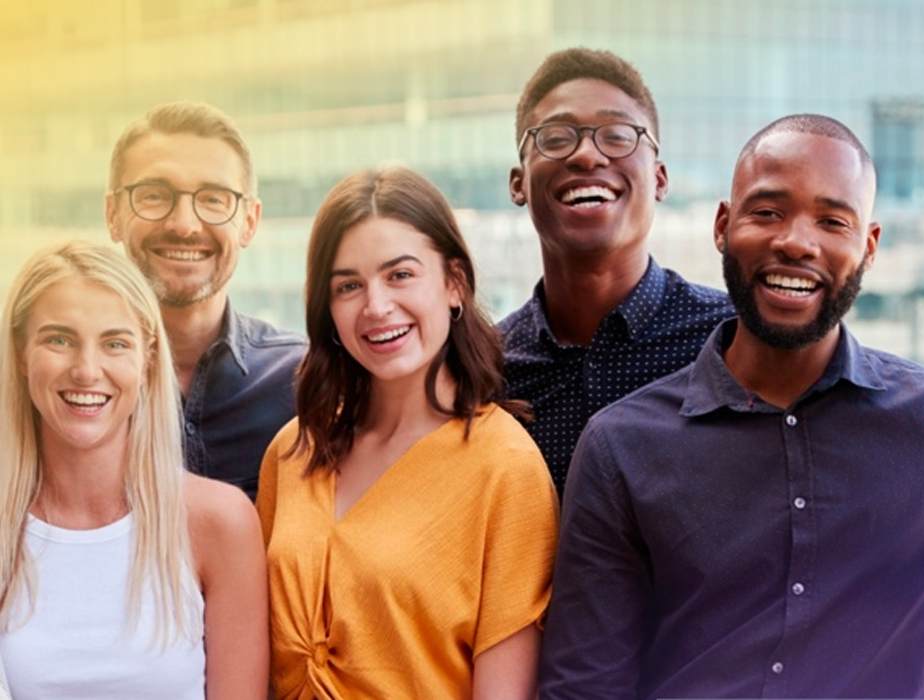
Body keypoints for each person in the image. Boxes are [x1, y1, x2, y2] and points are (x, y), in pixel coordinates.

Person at [538, 114, 924, 699]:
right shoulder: (621, 446)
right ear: (723, 226)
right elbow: (585, 688)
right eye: (768, 212)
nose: (797, 242)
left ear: (869, 248)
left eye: (832, 221)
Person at [257, 168, 559, 699]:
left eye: (400, 275)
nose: (375, 306)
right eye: (348, 285)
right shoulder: (293, 449)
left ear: (454, 283)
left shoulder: (505, 467)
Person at [0, 241, 267, 699]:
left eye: (114, 343)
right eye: (58, 339)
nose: (87, 371)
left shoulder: (219, 522)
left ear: (146, 361)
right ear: (23, 355)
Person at [503, 47, 733, 493]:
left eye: (617, 135)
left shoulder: (730, 341)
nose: (587, 155)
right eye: (555, 137)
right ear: (518, 184)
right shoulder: (481, 371)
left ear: (660, 179)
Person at [106, 101, 306, 500]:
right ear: (113, 214)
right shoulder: (63, 384)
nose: (183, 224)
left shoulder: (307, 380)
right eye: (153, 195)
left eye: (214, 199)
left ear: (249, 222)